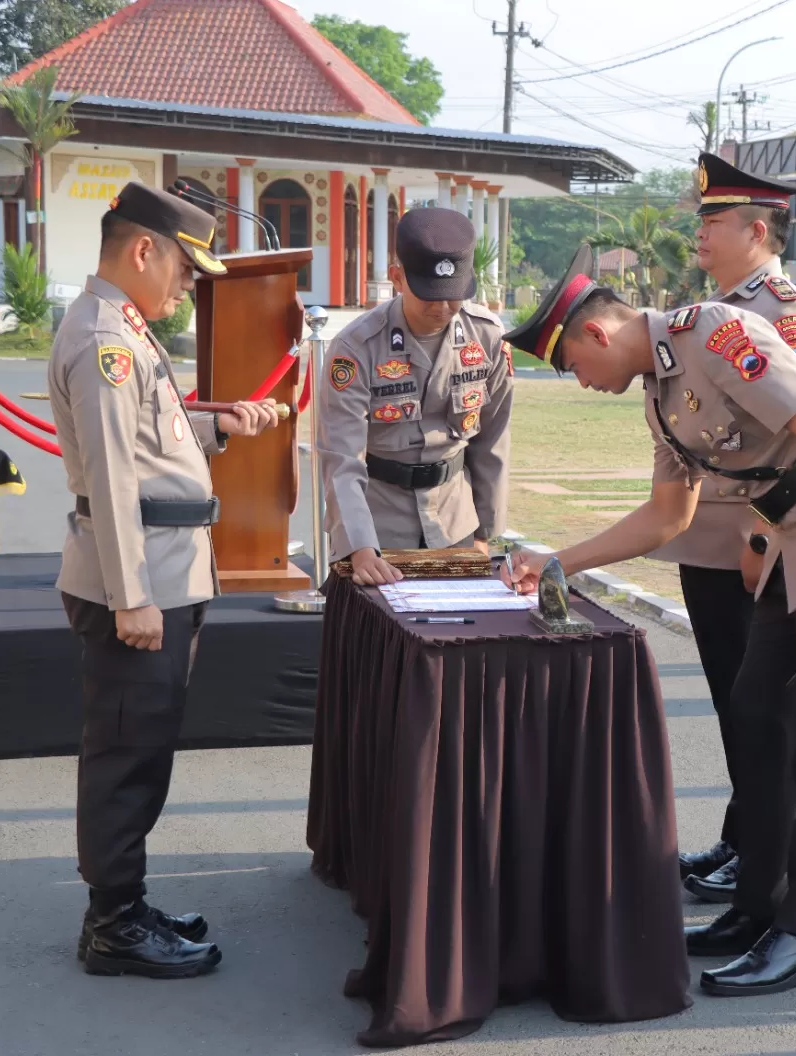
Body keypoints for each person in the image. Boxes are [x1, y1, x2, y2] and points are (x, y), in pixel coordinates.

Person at [502, 247, 796, 996]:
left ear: (596, 335)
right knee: (756, 713)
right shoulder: (660, 395)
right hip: (792, 535)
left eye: (569, 363)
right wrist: (559, 560)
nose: (578, 381)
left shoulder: (717, 332)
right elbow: (670, 516)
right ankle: (756, 909)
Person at [49, 182, 281, 977]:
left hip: (163, 573)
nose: (190, 283)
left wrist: (215, 426)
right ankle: (114, 927)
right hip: (140, 581)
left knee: (141, 749)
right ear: (143, 249)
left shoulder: (125, 332)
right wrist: (131, 597)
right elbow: (113, 475)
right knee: (125, 756)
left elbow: (145, 442)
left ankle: (120, 904)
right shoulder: (105, 340)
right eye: (186, 267)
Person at [675, 152, 796, 905]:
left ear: (757, 230)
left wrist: (764, 534)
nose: (700, 235)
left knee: (755, 708)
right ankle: (743, 840)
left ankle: (762, 850)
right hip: (711, 526)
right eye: (700, 221)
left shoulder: (781, 313)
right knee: (735, 702)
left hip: (751, 535)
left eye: (714, 222)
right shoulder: (728, 305)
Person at [320, 208, 511, 587]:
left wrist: (487, 534)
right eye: (429, 294)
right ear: (397, 277)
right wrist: (359, 546)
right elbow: (342, 457)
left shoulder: (486, 337)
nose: (442, 307)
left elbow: (493, 441)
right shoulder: (357, 347)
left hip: (456, 519)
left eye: (453, 295)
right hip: (379, 527)